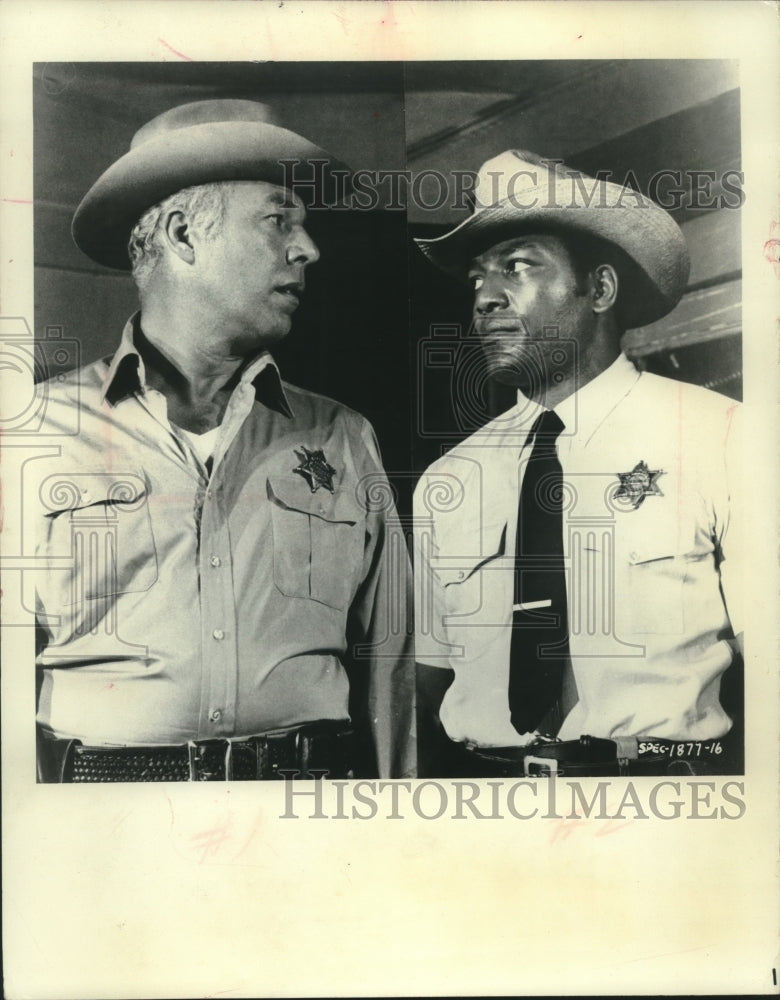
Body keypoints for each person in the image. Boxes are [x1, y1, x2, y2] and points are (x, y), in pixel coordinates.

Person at [34, 99, 414, 782]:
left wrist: (398, 824)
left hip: (308, 809)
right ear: (184, 236)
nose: (308, 249)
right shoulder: (33, 430)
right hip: (107, 825)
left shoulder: (343, 437)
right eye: (279, 221)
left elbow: (394, 661)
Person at [413, 150, 742, 778]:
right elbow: (431, 678)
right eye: (476, 278)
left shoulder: (719, 436)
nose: (484, 297)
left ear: (599, 289)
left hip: (657, 801)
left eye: (516, 266)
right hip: (489, 803)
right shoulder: (449, 479)